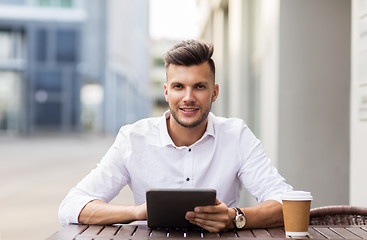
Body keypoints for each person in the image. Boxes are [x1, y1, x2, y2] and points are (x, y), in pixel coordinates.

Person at [59, 39, 293, 233]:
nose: (188, 97)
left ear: (215, 92)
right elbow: (71, 207)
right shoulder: (133, 138)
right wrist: (138, 212)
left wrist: (235, 217)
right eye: (179, 86)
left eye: (199, 87)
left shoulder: (236, 136)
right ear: (166, 92)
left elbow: (288, 203)